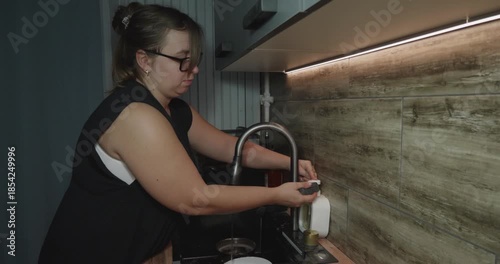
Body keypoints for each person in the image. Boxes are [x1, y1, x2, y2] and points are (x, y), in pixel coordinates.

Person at [39, 2, 318, 264]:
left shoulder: (176, 110)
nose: (194, 69)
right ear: (144, 60)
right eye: (182, 60)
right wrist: (275, 195)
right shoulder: (135, 115)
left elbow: (238, 149)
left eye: (194, 59)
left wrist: (290, 162)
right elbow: (196, 199)